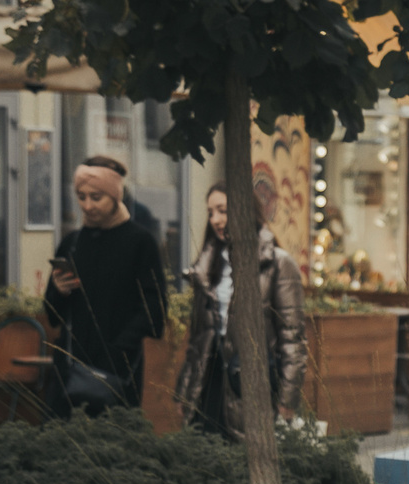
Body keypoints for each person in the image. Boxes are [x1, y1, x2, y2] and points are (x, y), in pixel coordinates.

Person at [178, 184, 305, 436]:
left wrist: (287, 400)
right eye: (211, 212)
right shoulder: (207, 266)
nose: (215, 220)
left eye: (222, 211)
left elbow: (293, 338)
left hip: (253, 377)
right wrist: (184, 392)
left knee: (245, 455)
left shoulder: (278, 264)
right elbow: (197, 339)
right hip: (210, 378)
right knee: (205, 451)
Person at [44, 159, 169, 413]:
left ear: (115, 196)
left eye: (96, 197)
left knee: (114, 445)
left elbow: (155, 309)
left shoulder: (140, 243)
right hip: (71, 370)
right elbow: (52, 315)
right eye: (81, 197)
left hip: (118, 373)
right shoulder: (72, 244)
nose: (87, 206)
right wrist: (58, 290)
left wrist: (119, 351)